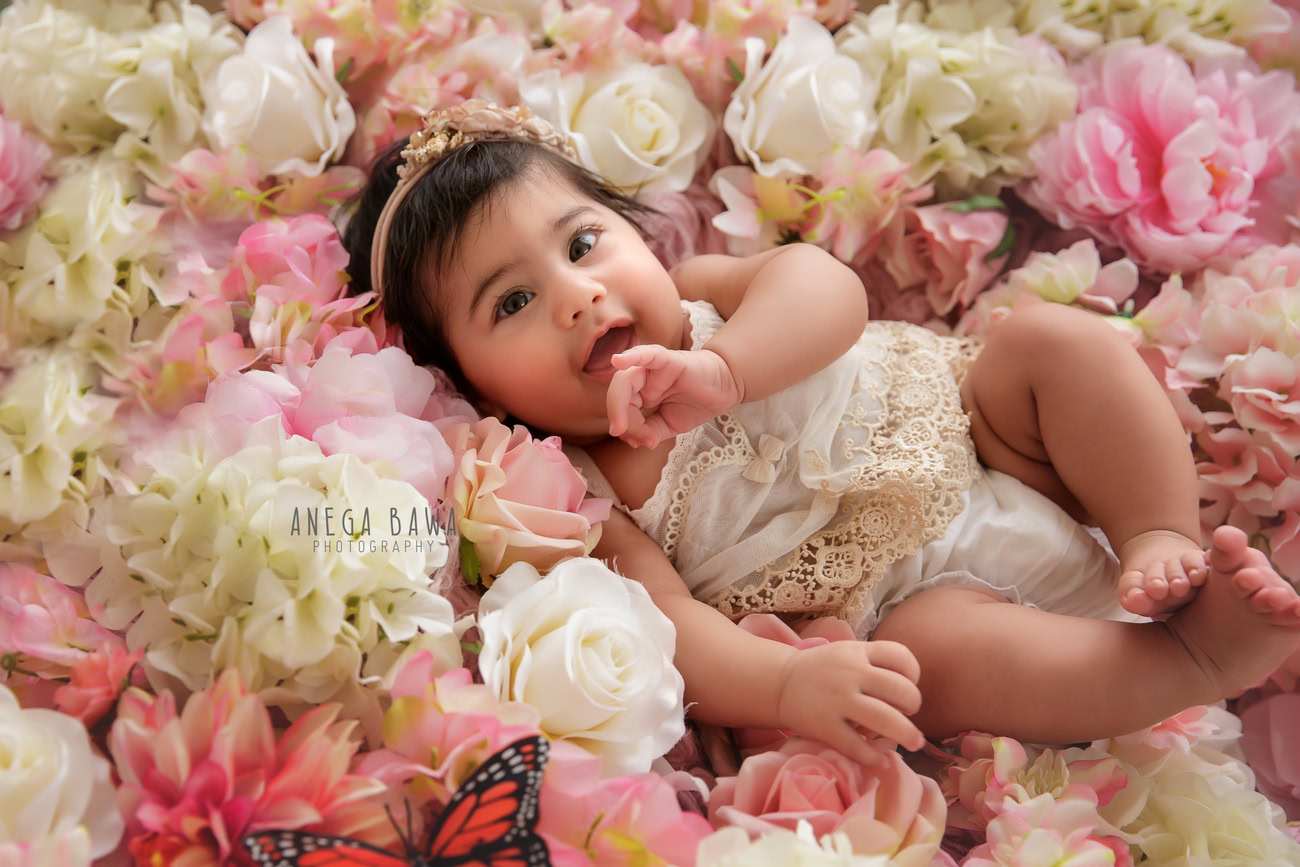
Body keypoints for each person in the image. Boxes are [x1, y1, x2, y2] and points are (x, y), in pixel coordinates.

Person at [341, 100, 1300, 769]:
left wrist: (729, 368)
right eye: (512, 300)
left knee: (1053, 342)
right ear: (470, 385)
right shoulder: (579, 488)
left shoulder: (703, 298)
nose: (576, 295)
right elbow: (678, 629)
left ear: (638, 232)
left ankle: (1158, 532)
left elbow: (827, 287)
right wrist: (787, 686)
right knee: (934, 665)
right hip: (915, 598)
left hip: (989, 437)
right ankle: (1189, 659)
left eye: (584, 242)